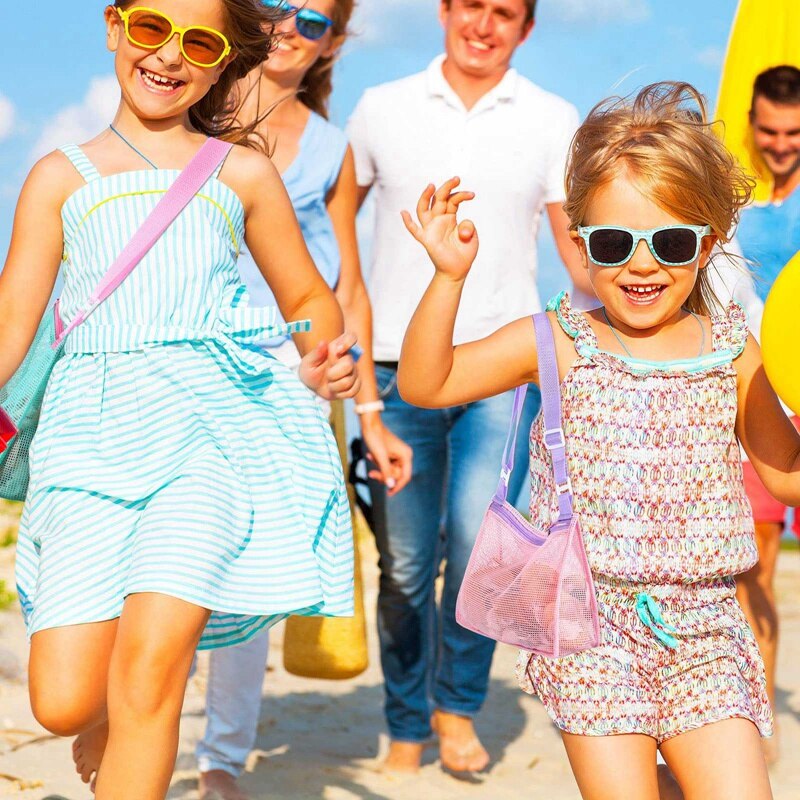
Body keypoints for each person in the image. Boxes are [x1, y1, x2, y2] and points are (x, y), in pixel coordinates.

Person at [398, 81, 799, 799]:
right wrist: (447, 278)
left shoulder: (734, 351)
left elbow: (787, 475)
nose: (641, 266)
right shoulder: (557, 340)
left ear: (707, 243)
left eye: (670, 242)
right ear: (579, 239)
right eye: (614, 243)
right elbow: (429, 385)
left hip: (706, 632)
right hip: (590, 633)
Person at [1, 1, 361, 796]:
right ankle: (102, 715)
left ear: (223, 56)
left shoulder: (240, 171)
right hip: (85, 440)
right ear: (113, 26)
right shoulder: (60, 175)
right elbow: (10, 330)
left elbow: (307, 293)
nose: (168, 55)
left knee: (150, 680)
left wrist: (322, 354)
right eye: (149, 29)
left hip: (211, 437)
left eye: (197, 41)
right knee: (63, 701)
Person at [346, 0, 590, 773]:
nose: (484, 25)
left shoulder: (554, 119)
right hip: (391, 367)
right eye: (472, 7)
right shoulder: (380, 107)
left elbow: (575, 248)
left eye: (505, 13)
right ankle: (406, 721)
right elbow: (332, 225)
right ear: (446, 11)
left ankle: (456, 710)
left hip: (500, 373)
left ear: (526, 28)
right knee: (408, 563)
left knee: (480, 550)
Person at [195, 3, 412, 798]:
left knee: (247, 568)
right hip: (185, 359)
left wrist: (373, 416)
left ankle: (221, 757)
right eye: (276, 6)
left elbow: (346, 283)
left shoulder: (330, 149)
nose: (290, 25)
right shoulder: (191, 106)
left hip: (289, 375)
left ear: (334, 39)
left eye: (313, 19)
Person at [735, 65, 800, 764]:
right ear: (752, 123)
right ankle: (755, 714)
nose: (781, 145)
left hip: (799, 400)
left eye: (794, 134)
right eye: (771, 131)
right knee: (745, 568)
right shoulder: (733, 201)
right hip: (744, 397)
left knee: (758, 567)